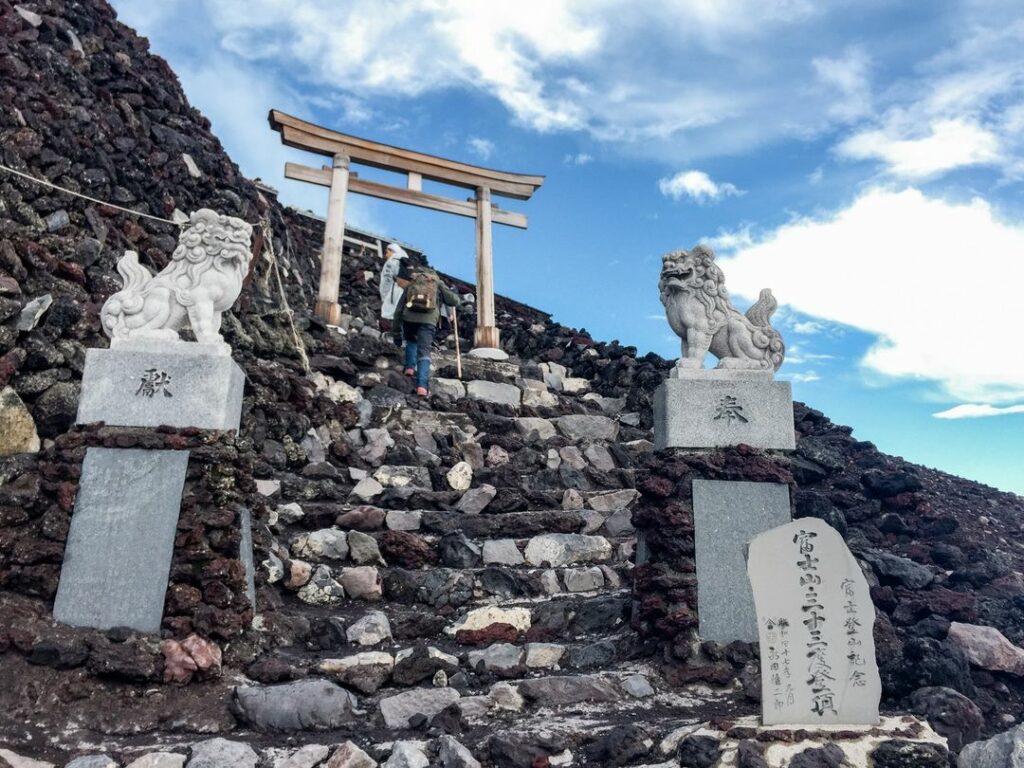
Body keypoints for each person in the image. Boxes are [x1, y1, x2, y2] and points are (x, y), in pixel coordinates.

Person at [392, 261, 459, 397]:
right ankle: (422, 386)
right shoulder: (437, 283)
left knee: (411, 341)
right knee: (424, 351)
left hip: (409, 318)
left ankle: (409, 368)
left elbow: (398, 309)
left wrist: (396, 332)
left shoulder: (412, 283)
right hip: (428, 320)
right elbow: (454, 301)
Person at [378, 242, 409, 331]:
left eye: (387, 252)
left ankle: (389, 333)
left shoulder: (392, 261)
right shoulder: (404, 261)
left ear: (392, 251)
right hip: (403, 292)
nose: (386, 255)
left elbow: (387, 279)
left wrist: (384, 295)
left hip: (393, 292)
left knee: (389, 314)